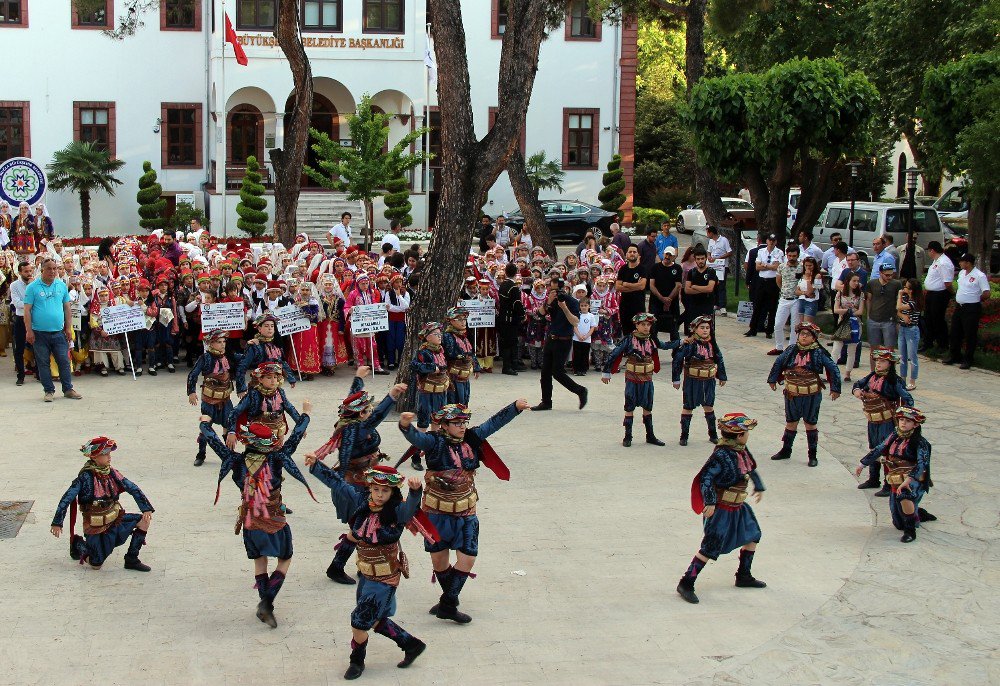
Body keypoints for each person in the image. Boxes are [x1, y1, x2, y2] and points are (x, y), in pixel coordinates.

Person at [397, 399, 531, 623]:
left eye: (464, 422)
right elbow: (415, 438)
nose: (462, 426)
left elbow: (493, 423)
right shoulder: (434, 442)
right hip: (436, 512)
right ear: (445, 425)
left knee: (468, 558)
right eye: (456, 422)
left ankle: (448, 604)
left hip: (466, 510)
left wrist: (514, 407)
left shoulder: (472, 438)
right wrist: (405, 426)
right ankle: (448, 602)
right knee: (439, 562)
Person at [303, 462, 430, 680]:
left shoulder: (397, 511)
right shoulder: (364, 504)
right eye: (376, 489)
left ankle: (357, 660)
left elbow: (410, 507)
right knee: (373, 618)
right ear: (370, 488)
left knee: (359, 621)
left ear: (393, 491)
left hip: (384, 578)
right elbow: (339, 485)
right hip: (365, 573)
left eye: (385, 491)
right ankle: (411, 644)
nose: (380, 495)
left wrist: (416, 491)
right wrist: (316, 465)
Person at [199, 401, 314, 628]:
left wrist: (205, 424)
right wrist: (306, 414)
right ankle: (267, 601)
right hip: (274, 519)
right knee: (285, 558)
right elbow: (296, 436)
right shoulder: (277, 457)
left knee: (260, 562)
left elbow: (214, 441)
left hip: (250, 520)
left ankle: (265, 602)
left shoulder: (235, 460)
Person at [305, 369, 409, 585]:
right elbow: (379, 415)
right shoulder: (355, 430)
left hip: (367, 480)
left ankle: (361, 565)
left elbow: (352, 398)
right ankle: (337, 566)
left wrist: (358, 378)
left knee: (365, 526)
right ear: (361, 415)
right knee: (361, 527)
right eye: (367, 410)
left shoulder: (349, 419)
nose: (371, 412)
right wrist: (391, 397)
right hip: (359, 485)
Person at [676, 413, 766, 605]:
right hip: (722, 510)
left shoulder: (741, 450)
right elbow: (706, 478)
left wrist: (758, 485)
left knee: (753, 535)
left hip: (739, 507)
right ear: (739, 435)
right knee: (710, 547)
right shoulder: (721, 455)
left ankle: (743, 575)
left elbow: (750, 468)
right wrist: (709, 501)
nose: (748, 435)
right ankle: (686, 582)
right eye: (746, 432)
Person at [50, 436, 153, 571]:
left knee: (143, 521)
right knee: (96, 564)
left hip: (115, 518)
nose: (109, 457)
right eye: (105, 454)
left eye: (109, 453)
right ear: (95, 456)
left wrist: (145, 507)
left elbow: (131, 487)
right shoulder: (85, 478)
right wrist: (57, 522)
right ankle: (78, 545)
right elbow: (67, 498)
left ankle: (131, 559)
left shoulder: (112, 473)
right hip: (96, 526)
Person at [767, 322, 842, 467]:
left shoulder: (819, 352)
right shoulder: (791, 350)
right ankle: (786, 450)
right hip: (792, 394)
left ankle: (812, 455)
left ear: (814, 338)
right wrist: (773, 379)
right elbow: (778, 362)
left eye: (807, 334)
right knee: (791, 422)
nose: (804, 337)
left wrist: (835, 388)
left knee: (810, 424)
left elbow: (833, 369)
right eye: (802, 334)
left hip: (810, 395)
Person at [602, 312, 682, 447]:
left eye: (648, 325)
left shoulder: (652, 339)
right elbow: (615, 353)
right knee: (629, 407)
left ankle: (650, 435)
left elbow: (664, 345)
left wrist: (680, 342)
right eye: (643, 324)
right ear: (637, 325)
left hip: (647, 379)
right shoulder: (629, 339)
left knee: (648, 407)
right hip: (632, 379)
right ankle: (628, 436)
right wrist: (606, 371)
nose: (646, 327)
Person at [855, 407, 934, 543]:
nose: (903, 423)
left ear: (915, 424)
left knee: (905, 495)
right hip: (895, 477)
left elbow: (922, 464)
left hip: (912, 479)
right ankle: (918, 513)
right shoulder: (894, 436)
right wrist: (863, 463)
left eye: (907, 421)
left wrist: (909, 479)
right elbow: (880, 448)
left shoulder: (921, 443)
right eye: (901, 420)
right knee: (898, 522)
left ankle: (911, 532)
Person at [852, 347, 914, 495]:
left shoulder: (895, 381)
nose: (878, 363)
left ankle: (888, 484)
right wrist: (857, 391)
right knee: (873, 448)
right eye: (877, 360)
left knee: (886, 452)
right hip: (872, 420)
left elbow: (908, 400)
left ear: (890, 363)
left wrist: (903, 417)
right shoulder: (872, 376)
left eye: (882, 361)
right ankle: (873, 479)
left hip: (887, 421)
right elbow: (857, 384)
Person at [24, 257, 81, 402]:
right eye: (49, 268)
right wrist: (29, 331)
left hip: (59, 332)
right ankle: (48, 390)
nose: (52, 271)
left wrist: (68, 328)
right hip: (39, 333)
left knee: (64, 361)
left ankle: (68, 389)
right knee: (43, 363)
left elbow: (67, 308)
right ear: (42, 269)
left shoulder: (61, 285)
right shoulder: (32, 287)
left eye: (55, 268)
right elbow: (27, 310)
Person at [531, 277, 587, 412]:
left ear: (565, 288)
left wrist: (564, 308)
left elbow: (575, 322)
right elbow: (539, 314)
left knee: (557, 372)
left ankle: (580, 390)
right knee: (545, 373)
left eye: (558, 289)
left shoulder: (572, 302)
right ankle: (546, 402)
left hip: (564, 340)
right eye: (552, 289)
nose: (555, 292)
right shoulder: (551, 300)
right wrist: (549, 302)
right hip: (551, 338)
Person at [672, 315, 727, 447]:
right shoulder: (690, 344)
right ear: (694, 329)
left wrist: (722, 375)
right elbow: (678, 360)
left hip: (708, 380)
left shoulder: (712, 343)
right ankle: (684, 436)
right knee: (688, 407)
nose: (705, 330)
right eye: (702, 327)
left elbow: (719, 358)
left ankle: (713, 434)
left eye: (707, 328)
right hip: (692, 381)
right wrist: (676, 378)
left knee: (709, 406)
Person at [187, 329, 237, 467]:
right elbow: (193, 374)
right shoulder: (205, 358)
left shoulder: (227, 356)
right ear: (210, 344)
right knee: (205, 428)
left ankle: (229, 455)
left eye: (224, 342)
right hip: (209, 402)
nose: (222, 345)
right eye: (219, 342)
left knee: (229, 426)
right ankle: (201, 454)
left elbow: (243, 360)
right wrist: (191, 392)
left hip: (226, 400)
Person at [944, 253, 991, 370]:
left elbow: (986, 293)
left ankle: (968, 359)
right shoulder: (961, 273)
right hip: (959, 307)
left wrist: (975, 299)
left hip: (972, 308)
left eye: (961, 261)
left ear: (968, 263)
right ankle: (954, 355)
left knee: (970, 334)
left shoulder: (979, 276)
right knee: (955, 331)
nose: (959, 263)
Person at [235, 313, 297, 395]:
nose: (270, 329)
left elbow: (282, 362)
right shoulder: (254, 345)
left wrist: (291, 378)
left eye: (272, 326)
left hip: (274, 385)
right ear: (259, 328)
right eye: (266, 326)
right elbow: (242, 366)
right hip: (258, 387)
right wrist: (241, 388)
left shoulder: (276, 344)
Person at [864, 258, 901, 370]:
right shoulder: (872, 283)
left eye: (891, 275)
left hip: (889, 320)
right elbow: (869, 299)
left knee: (890, 349)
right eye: (886, 275)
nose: (889, 277)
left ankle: (890, 372)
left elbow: (899, 301)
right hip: (874, 319)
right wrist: (868, 315)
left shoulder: (896, 284)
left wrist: (897, 319)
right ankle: (873, 372)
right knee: (873, 349)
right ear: (880, 273)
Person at [442, 306, 481, 406]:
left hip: (464, 376)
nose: (463, 322)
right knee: (454, 402)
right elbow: (448, 355)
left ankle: (462, 420)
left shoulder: (463, 336)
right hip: (453, 376)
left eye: (464, 319)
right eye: (459, 319)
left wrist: (476, 367)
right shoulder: (447, 336)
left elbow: (471, 352)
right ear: (451, 320)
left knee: (464, 399)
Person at [746, 234, 782, 337]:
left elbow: (777, 267)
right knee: (757, 305)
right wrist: (769, 266)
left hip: (772, 281)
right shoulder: (761, 251)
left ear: (776, 242)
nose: (771, 242)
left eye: (773, 240)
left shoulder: (779, 252)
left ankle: (769, 330)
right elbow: (757, 267)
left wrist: (765, 265)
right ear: (766, 241)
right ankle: (753, 329)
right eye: (770, 240)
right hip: (762, 281)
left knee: (772, 307)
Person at [921, 241, 954, 353]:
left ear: (932, 251)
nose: (929, 253)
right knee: (928, 319)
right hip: (931, 293)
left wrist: (951, 293)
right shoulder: (936, 261)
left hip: (940, 294)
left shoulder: (944, 262)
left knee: (937, 319)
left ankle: (942, 344)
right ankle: (928, 342)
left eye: (929, 251)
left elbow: (947, 283)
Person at [831, 273, 864, 382]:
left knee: (852, 350)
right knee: (836, 349)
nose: (856, 283)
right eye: (854, 281)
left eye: (857, 281)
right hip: (842, 323)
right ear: (848, 281)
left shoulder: (860, 294)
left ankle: (847, 373)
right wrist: (849, 311)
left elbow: (860, 311)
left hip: (855, 324)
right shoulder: (840, 294)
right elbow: (835, 310)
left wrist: (845, 312)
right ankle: (832, 372)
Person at [769, 243, 800, 355]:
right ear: (787, 255)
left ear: (797, 255)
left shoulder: (801, 266)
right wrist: (784, 290)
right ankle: (779, 347)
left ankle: (792, 348)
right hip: (784, 298)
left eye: (794, 256)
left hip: (796, 299)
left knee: (794, 325)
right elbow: (778, 281)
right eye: (790, 256)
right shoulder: (781, 266)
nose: (792, 258)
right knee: (778, 324)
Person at [649, 246, 683, 346]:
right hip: (656, 303)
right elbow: (651, 285)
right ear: (663, 254)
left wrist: (668, 300)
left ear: (673, 257)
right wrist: (662, 298)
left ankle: (676, 351)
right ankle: (652, 349)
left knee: (674, 329)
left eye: (670, 255)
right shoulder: (655, 267)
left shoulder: (677, 268)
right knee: (653, 328)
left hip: (672, 304)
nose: (667, 257)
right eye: (666, 254)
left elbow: (678, 285)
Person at [496, 263, 524, 375]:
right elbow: (516, 304)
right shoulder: (513, 287)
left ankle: (510, 365)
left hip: (503, 317)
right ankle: (509, 366)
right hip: (510, 319)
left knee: (506, 342)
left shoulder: (503, 285)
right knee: (511, 342)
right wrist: (522, 314)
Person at [683, 246, 717, 332]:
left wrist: (695, 287)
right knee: (693, 330)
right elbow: (687, 290)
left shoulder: (711, 271)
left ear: (706, 258)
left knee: (708, 331)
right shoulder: (692, 272)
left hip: (707, 305)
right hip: (694, 305)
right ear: (695, 259)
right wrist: (702, 289)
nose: (700, 261)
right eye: (698, 259)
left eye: (702, 258)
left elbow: (710, 288)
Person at [616, 245, 647, 338]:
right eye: (630, 252)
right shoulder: (623, 269)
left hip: (638, 307)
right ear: (626, 254)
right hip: (625, 307)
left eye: (634, 252)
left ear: (638, 254)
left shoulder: (642, 269)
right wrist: (635, 286)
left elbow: (642, 286)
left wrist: (626, 284)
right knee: (626, 334)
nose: (632, 254)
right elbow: (618, 287)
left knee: (639, 333)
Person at [10, 260, 33, 385]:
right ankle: (21, 375)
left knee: (37, 346)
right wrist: (29, 304)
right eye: (26, 271)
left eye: (30, 271)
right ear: (20, 272)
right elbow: (16, 303)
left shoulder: (35, 284)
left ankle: (39, 373)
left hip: (34, 319)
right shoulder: (14, 285)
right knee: (19, 348)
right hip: (21, 319)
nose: (29, 273)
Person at [896, 279, 922, 390]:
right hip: (902, 328)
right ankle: (902, 379)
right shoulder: (905, 298)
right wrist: (903, 316)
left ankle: (912, 381)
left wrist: (899, 295)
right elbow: (898, 311)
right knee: (902, 356)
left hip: (912, 330)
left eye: (907, 287)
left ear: (912, 290)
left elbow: (899, 307)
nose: (904, 289)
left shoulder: (915, 301)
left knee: (912, 357)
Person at [706, 226, 732, 316]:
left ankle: (722, 306)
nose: (707, 234)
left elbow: (729, 252)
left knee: (721, 285)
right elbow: (709, 251)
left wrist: (718, 258)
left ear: (711, 233)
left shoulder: (724, 240)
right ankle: (715, 303)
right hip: (713, 266)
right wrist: (709, 256)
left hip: (722, 266)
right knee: (713, 285)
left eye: (708, 232)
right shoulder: (710, 241)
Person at [572, 295, 599, 376]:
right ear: (579, 306)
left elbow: (592, 327)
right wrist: (579, 335)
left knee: (585, 354)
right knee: (577, 354)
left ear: (589, 306)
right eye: (582, 306)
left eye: (585, 305)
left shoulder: (591, 316)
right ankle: (576, 370)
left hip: (586, 339)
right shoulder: (577, 315)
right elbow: (574, 326)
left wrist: (586, 336)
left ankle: (583, 369)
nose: (583, 307)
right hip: (577, 338)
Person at [795, 256, 822, 324]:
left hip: (811, 302)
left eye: (810, 265)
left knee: (807, 325)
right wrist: (804, 293)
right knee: (800, 324)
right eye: (806, 265)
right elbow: (797, 291)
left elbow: (810, 291)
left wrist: (808, 278)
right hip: (801, 301)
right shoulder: (802, 275)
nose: (808, 267)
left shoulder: (817, 276)